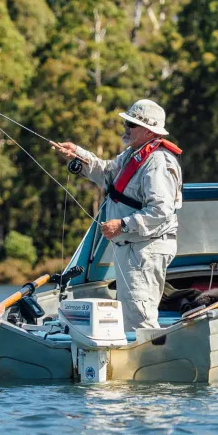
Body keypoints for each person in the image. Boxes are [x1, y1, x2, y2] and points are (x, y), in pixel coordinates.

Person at [52, 99, 183, 332]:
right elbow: (106, 173)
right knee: (130, 315)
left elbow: (161, 211)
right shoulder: (133, 155)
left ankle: (146, 366)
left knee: (138, 319)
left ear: (149, 130)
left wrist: (122, 224)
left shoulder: (158, 162)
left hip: (145, 249)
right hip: (133, 248)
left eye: (131, 124)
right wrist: (78, 155)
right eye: (126, 122)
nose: (126, 127)